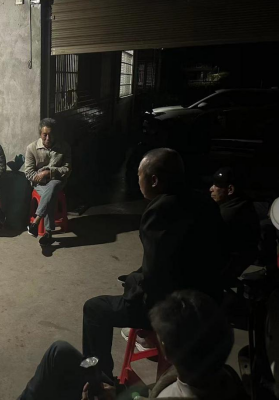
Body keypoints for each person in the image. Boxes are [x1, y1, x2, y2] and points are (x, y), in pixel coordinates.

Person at [83, 148, 227, 378]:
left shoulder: (161, 210)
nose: (137, 182)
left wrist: (132, 284)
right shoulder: (205, 202)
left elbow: (155, 278)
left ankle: (98, 380)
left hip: (177, 309)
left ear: (153, 180)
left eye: (139, 176)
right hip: (208, 302)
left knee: (95, 308)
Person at [19, 291, 245, 400]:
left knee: (57, 358)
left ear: (165, 350)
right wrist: (120, 393)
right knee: (60, 352)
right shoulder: (226, 377)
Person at [25, 118, 72, 246]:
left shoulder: (64, 147)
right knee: (50, 193)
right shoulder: (32, 148)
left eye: (50, 134)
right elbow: (28, 173)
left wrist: (48, 173)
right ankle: (48, 233)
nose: (47, 138)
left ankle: (36, 222)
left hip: (57, 181)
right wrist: (42, 177)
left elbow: (67, 169)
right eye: (44, 134)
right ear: (40, 134)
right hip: (39, 184)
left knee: (53, 185)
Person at [210, 167, 260, 279]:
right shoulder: (244, 204)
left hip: (228, 266)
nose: (211, 189)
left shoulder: (225, 215)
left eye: (216, 185)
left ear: (230, 189)